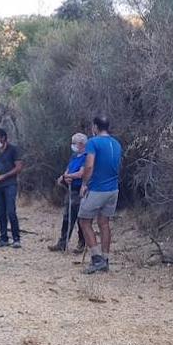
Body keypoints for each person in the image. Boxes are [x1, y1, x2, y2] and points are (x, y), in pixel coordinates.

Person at [77, 114, 123, 274]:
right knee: (104, 223)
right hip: (113, 189)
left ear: (95, 127)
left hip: (98, 189)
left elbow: (89, 165)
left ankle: (96, 259)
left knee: (84, 221)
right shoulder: (116, 143)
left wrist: (84, 184)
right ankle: (106, 258)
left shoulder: (93, 142)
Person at [50, 130, 89, 252]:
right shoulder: (74, 156)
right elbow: (68, 170)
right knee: (67, 217)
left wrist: (70, 176)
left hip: (80, 190)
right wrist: (65, 176)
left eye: (74, 143)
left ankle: (82, 243)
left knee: (79, 217)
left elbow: (82, 173)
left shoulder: (86, 156)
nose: (72, 145)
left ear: (82, 144)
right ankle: (62, 243)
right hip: (70, 190)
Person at [0, 126, 24, 248]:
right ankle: (3, 238)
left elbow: (19, 167)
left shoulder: (13, 150)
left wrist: (5, 176)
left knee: (11, 211)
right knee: (1, 212)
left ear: (4, 138)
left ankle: (16, 238)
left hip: (10, 185)